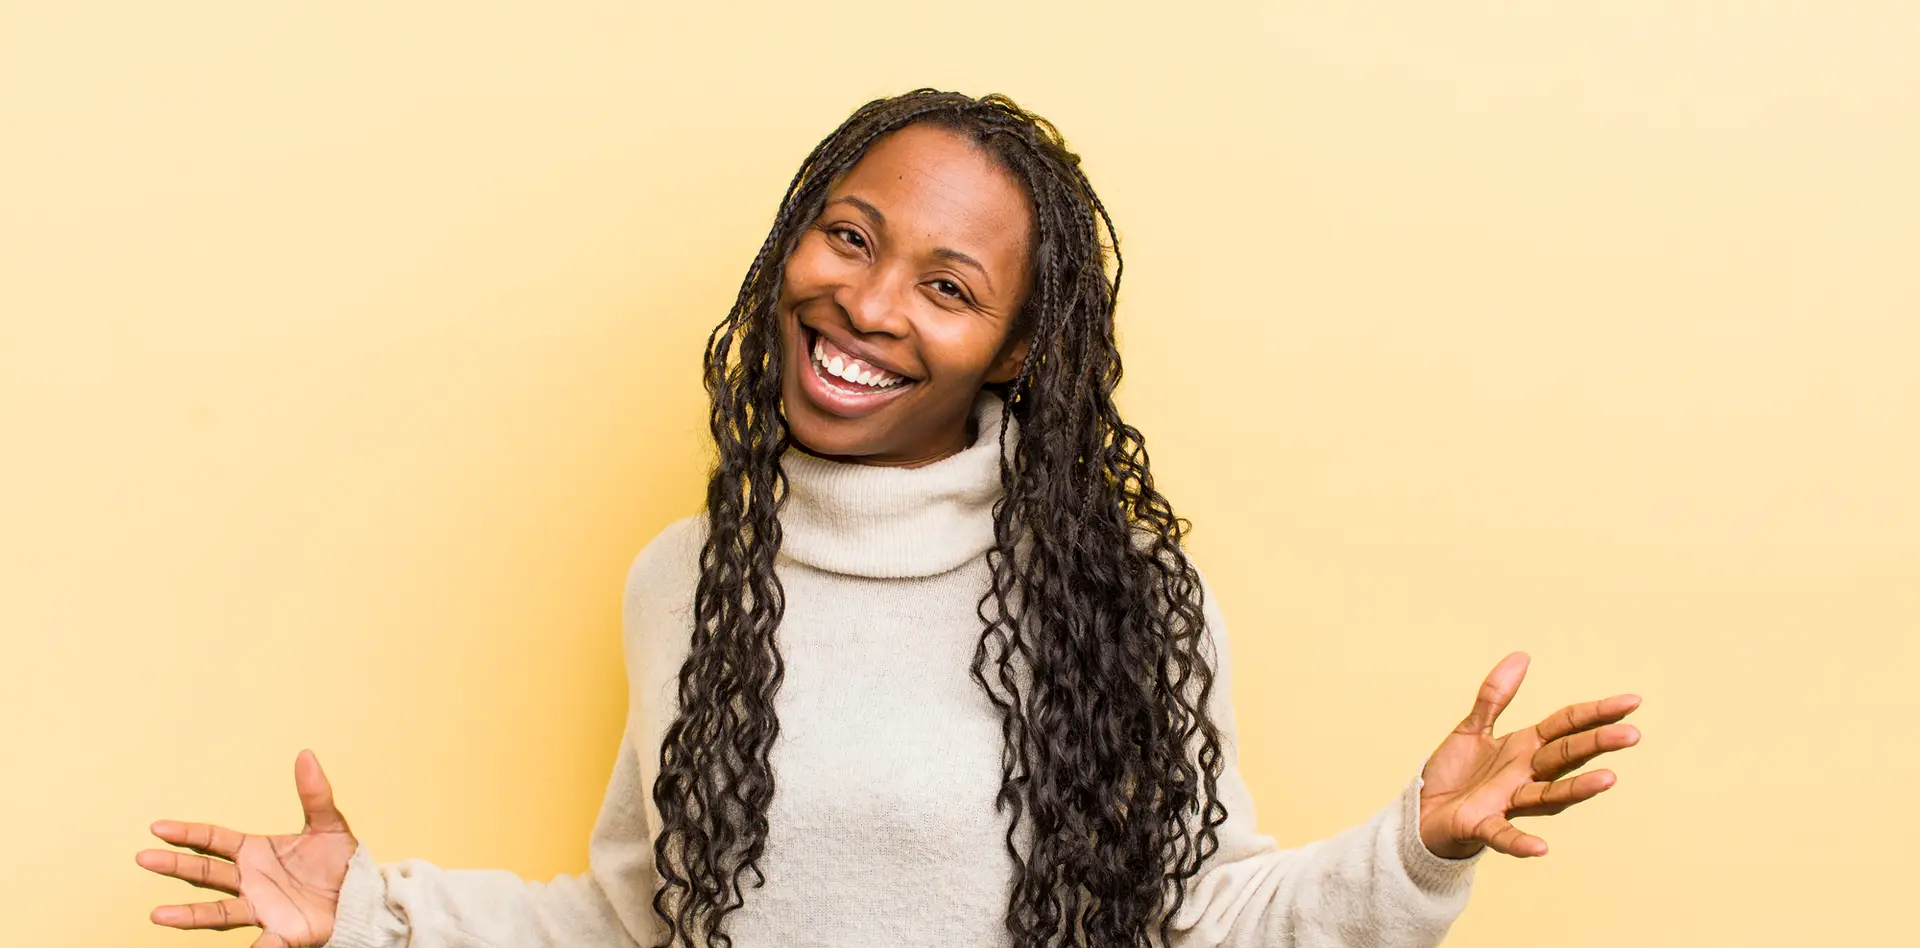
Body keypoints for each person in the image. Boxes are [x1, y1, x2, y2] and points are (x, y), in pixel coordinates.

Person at [135, 89, 1643, 948]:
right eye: (848, 236)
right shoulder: (688, 582)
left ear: (1021, 348)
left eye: (947, 285)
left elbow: (1207, 916)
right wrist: (378, 910)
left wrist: (1411, 851)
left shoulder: (1120, 593)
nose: (865, 303)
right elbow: (644, 920)